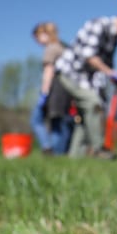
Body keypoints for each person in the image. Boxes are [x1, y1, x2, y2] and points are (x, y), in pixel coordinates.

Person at [47, 8, 117, 159]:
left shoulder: (114, 39)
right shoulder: (99, 25)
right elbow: (89, 56)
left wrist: (116, 78)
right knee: (93, 104)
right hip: (70, 73)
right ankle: (99, 149)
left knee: (86, 115)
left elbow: (107, 65)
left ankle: (75, 156)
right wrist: (110, 73)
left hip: (87, 80)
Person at [30, 22, 68, 155]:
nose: (37, 41)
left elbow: (48, 71)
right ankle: (57, 153)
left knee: (36, 119)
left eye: (37, 37)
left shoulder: (51, 48)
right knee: (57, 122)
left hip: (53, 89)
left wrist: (44, 92)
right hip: (64, 89)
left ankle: (47, 147)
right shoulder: (62, 47)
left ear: (45, 34)